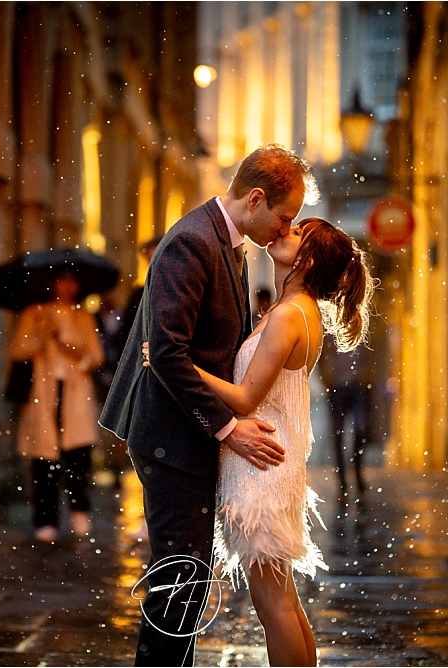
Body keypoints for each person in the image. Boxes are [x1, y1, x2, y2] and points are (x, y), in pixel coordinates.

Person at [99, 144, 318, 666]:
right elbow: (167, 353)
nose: (285, 228)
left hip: (188, 433)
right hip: (171, 435)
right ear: (257, 198)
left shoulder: (227, 242)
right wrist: (228, 429)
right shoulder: (192, 242)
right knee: (179, 579)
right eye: (285, 216)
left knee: (188, 580)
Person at [179, 218, 374, 666]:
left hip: (260, 468)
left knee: (274, 605)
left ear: (304, 259)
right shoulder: (295, 309)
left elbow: (247, 396)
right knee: (283, 600)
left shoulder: (290, 314)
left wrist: (179, 365)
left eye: (293, 232)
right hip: (269, 462)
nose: (280, 232)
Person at [11, 269, 105, 543]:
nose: (67, 286)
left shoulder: (83, 316)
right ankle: (45, 519)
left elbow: (96, 356)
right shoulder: (34, 313)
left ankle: (79, 511)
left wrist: (76, 352)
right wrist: (42, 334)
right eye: (62, 279)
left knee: (78, 457)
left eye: (72, 280)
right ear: (51, 282)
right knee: (43, 461)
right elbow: (18, 350)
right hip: (43, 393)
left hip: (76, 394)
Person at [317, 340, 375, 493]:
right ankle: (342, 479)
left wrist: (366, 377)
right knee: (338, 434)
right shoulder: (330, 333)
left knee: (360, 430)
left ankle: (357, 472)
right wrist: (327, 379)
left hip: (358, 387)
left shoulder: (360, 328)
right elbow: (321, 357)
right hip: (337, 387)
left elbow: (369, 355)